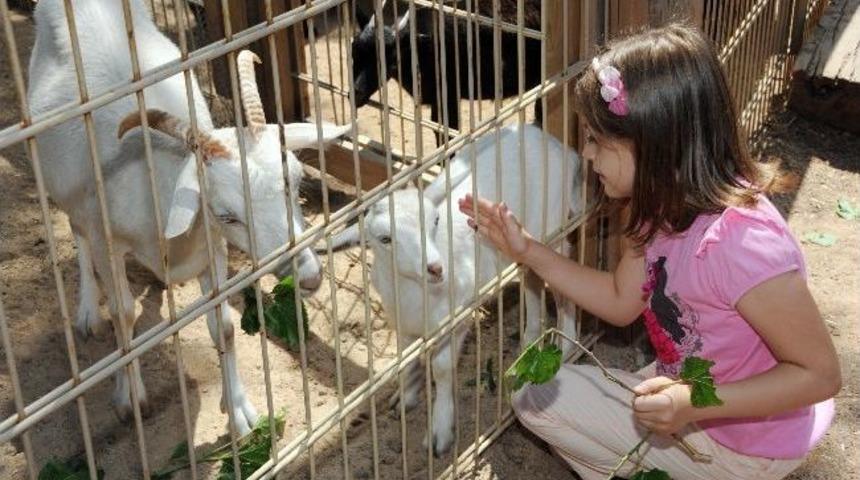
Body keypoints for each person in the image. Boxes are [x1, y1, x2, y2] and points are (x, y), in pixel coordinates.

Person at [458, 23, 841, 480]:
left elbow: (820, 375)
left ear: (659, 146)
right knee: (534, 396)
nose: (585, 153)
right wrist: (526, 251)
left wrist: (692, 401)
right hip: (687, 394)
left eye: (599, 140)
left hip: (746, 444)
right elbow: (622, 303)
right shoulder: (656, 206)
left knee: (546, 403)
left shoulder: (742, 246)